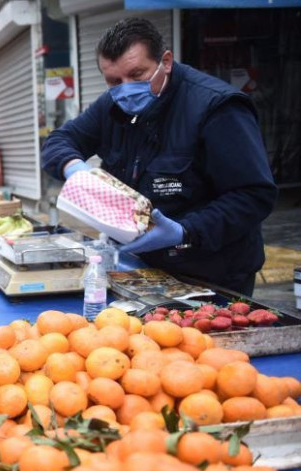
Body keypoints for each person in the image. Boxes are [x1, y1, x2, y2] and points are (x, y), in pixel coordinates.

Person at [41, 18, 277, 295]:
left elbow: (253, 195)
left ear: (165, 61)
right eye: (114, 81)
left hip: (213, 275)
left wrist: (184, 231)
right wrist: (74, 168)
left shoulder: (218, 108)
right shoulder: (113, 104)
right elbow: (59, 141)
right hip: (140, 268)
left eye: (137, 74)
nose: (126, 88)